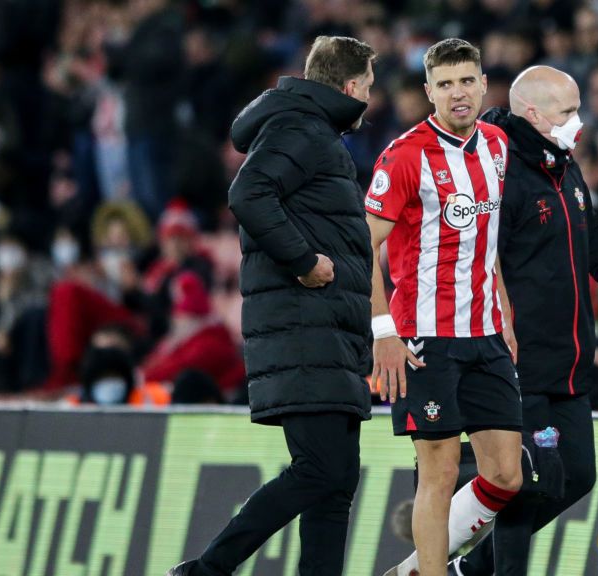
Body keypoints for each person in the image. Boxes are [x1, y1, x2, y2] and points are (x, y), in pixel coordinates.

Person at [167, 35, 376, 576]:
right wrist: (304, 260)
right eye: (369, 89)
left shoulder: (308, 129)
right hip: (305, 327)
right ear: (352, 88)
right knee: (319, 469)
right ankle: (207, 570)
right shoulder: (301, 128)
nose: (370, 101)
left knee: (336, 482)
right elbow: (248, 193)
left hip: (328, 330)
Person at [454, 65, 598, 575]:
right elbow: (478, 257)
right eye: (568, 112)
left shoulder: (563, 165)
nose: (579, 121)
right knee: (530, 479)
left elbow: (591, 239)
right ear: (533, 113)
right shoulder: (496, 169)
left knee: (578, 476)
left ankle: (467, 571)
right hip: (518, 357)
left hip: (569, 362)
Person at [369, 39, 523, 576]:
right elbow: (363, 246)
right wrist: (382, 330)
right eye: (445, 84)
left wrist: (504, 313)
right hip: (424, 338)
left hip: (484, 334)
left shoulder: (499, 146)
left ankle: (413, 570)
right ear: (428, 92)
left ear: (484, 84)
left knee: (507, 473)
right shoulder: (405, 155)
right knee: (438, 472)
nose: (458, 93)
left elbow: (491, 239)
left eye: (466, 81)